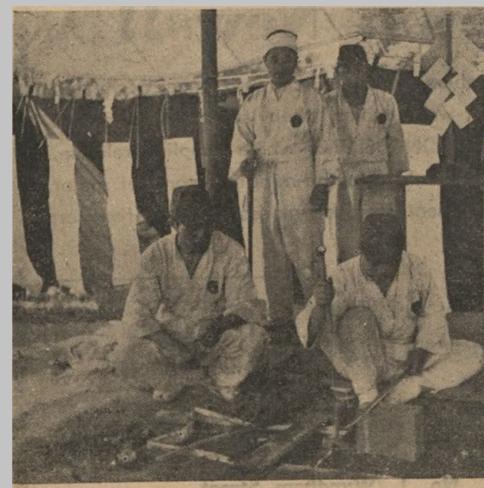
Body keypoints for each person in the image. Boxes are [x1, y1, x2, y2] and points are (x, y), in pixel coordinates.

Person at [295, 213, 484, 408]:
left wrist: (422, 348)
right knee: (357, 318)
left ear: (398, 257)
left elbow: (433, 314)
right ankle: (368, 397)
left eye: (384, 265)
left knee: (473, 354)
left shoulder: (416, 268)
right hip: (364, 361)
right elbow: (312, 331)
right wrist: (320, 305)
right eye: (371, 263)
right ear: (362, 252)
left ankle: (409, 387)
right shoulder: (343, 276)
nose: (377, 272)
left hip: (406, 357)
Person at [113, 185, 268, 402]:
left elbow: (245, 303)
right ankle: (188, 379)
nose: (202, 235)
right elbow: (137, 314)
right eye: (193, 228)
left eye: (206, 226)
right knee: (125, 354)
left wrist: (218, 328)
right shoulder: (155, 256)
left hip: (212, 339)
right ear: (174, 224)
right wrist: (173, 349)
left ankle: (203, 380)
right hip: (172, 338)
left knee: (255, 338)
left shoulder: (230, 250)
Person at [229, 29, 339, 325]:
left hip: (300, 181)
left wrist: (322, 184)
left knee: (307, 253)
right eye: (274, 59)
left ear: (296, 62)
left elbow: (326, 142)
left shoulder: (310, 99)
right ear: (265, 63)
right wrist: (245, 161)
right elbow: (241, 141)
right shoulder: (253, 102)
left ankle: (319, 321)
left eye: (286, 59)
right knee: (269, 256)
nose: (280, 65)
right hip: (264, 182)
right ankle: (277, 323)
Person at [324, 44, 409, 262]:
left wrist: (394, 180)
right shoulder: (328, 103)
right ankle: (351, 294)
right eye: (346, 68)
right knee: (348, 245)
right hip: (345, 179)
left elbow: (396, 144)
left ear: (366, 70)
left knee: (380, 243)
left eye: (358, 68)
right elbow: (322, 147)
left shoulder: (385, 101)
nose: (353, 74)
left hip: (379, 180)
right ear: (338, 70)